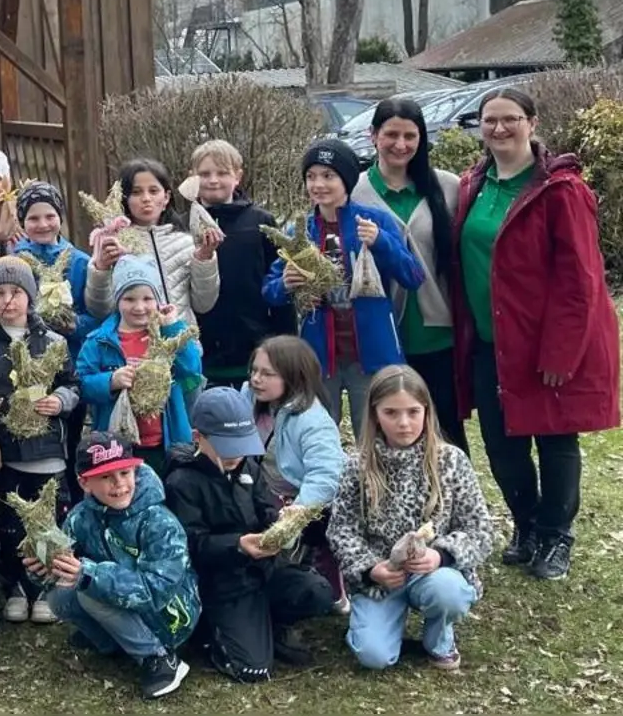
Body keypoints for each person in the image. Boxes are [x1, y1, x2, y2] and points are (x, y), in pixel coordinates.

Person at [451, 87, 620, 580]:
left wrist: (561, 353)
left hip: (542, 345)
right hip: (489, 343)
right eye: (490, 120)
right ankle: (525, 526)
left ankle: (555, 536)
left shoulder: (560, 191)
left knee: (554, 441)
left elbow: (580, 281)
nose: (499, 128)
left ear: (532, 122)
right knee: (502, 445)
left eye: (510, 119)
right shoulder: (474, 185)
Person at [328, 365, 495, 671]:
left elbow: (480, 529)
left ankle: (439, 637)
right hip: (383, 577)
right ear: (375, 414)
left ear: (426, 412)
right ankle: (377, 627)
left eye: (413, 412)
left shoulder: (451, 460)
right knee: (373, 656)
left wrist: (441, 555)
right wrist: (370, 569)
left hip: (434, 572)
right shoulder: (358, 465)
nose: (403, 423)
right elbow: (341, 530)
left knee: (449, 593)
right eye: (391, 413)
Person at [165, 387, 333, 682]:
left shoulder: (249, 467)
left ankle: (272, 624)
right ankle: (214, 635)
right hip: (223, 583)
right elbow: (191, 544)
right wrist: (237, 545)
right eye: (226, 446)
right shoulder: (182, 482)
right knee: (253, 669)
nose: (235, 455)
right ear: (198, 437)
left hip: (264, 568)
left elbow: (265, 507)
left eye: (241, 444)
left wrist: (282, 520)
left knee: (317, 591)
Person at [263, 138, 424, 437]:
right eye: (311, 176)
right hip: (320, 355)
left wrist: (381, 241)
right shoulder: (301, 232)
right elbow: (269, 291)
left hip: (373, 352)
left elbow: (413, 276)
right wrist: (285, 284)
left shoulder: (374, 221)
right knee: (319, 434)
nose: (318, 184)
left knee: (374, 435)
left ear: (347, 180)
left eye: (328, 176)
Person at [33, 432, 200, 699]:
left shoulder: (160, 522)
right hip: (122, 602)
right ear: (85, 483)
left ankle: (159, 657)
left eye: (125, 473)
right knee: (58, 596)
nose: (119, 483)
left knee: (90, 591)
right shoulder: (80, 517)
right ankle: (110, 641)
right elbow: (63, 564)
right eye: (105, 477)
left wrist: (89, 575)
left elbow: (156, 590)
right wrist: (44, 567)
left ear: (136, 471)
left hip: (171, 615)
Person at [353, 97, 468, 452]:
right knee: (393, 435)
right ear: (373, 135)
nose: (400, 145)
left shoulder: (448, 187)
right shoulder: (354, 192)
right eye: (391, 134)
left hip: (439, 332)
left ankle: (451, 488)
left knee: (446, 433)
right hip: (383, 332)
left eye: (410, 136)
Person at [0, 257, 78, 623]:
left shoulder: (54, 342)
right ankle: (15, 584)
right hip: (6, 453)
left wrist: (60, 400)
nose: (8, 300)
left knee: (47, 519)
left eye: (16, 292)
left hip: (47, 451)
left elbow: (72, 384)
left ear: (31, 296)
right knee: (10, 520)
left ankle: (44, 586)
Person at [246, 335, 350, 613]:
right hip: (263, 490)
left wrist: (297, 513)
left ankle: (329, 578)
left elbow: (326, 476)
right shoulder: (249, 399)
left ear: (293, 377)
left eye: (267, 374)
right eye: (254, 370)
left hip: (302, 502)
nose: (256, 379)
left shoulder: (313, 421)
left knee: (319, 528)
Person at [185, 140, 297, 388]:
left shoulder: (261, 222)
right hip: (201, 350)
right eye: (204, 174)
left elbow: (279, 283)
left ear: (238, 176)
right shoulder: (183, 226)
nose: (213, 180)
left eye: (222, 173)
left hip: (253, 345)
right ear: (192, 177)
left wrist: (286, 342)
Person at [78, 256, 203, 471]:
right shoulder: (99, 341)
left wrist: (172, 327)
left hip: (167, 443)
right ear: (117, 300)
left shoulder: (167, 335)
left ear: (158, 300)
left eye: (147, 298)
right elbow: (81, 384)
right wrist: (110, 381)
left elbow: (192, 369)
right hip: (118, 446)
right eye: (129, 299)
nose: (139, 307)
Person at [86, 158, 220, 330]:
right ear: (124, 199)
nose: (146, 198)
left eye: (154, 191)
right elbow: (99, 309)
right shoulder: (113, 243)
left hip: (182, 340)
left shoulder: (185, 243)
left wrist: (204, 259)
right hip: (133, 343)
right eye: (136, 192)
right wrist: (101, 269)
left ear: (166, 197)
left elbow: (204, 304)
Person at [10, 181, 94, 354]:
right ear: (22, 222)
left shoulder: (80, 263)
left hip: (73, 355)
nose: (43, 225)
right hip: (29, 353)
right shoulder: (14, 264)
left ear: (60, 218)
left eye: (50, 216)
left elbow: (97, 316)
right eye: (33, 218)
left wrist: (75, 324)